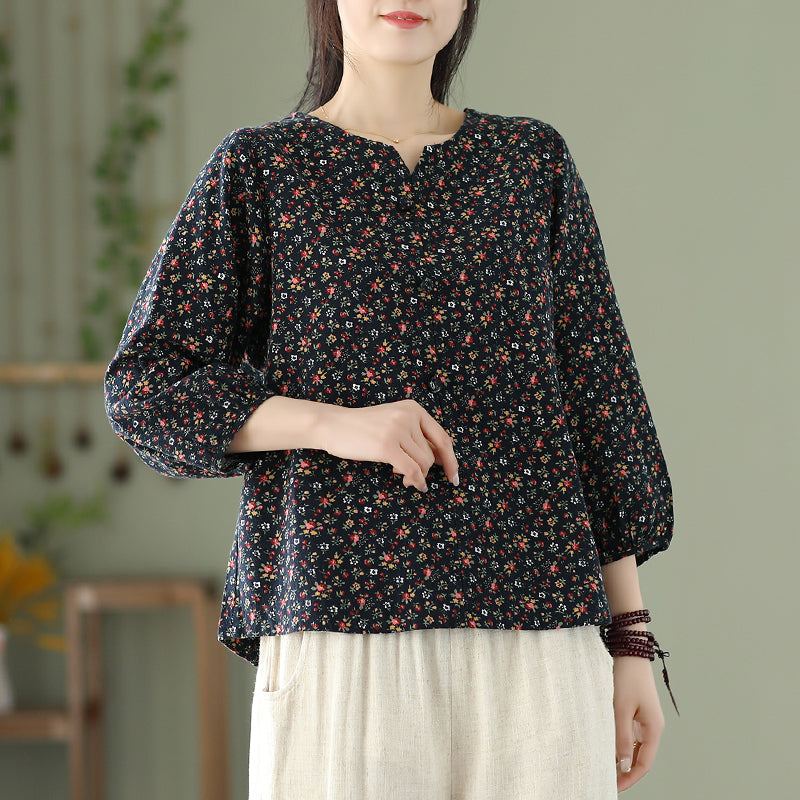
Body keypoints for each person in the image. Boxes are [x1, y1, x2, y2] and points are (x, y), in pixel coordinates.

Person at [103, 1, 678, 798]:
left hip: (542, 637)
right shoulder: (263, 169)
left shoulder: (530, 164)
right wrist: (333, 426)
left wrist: (632, 640)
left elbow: (599, 406)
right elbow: (148, 385)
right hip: (339, 633)